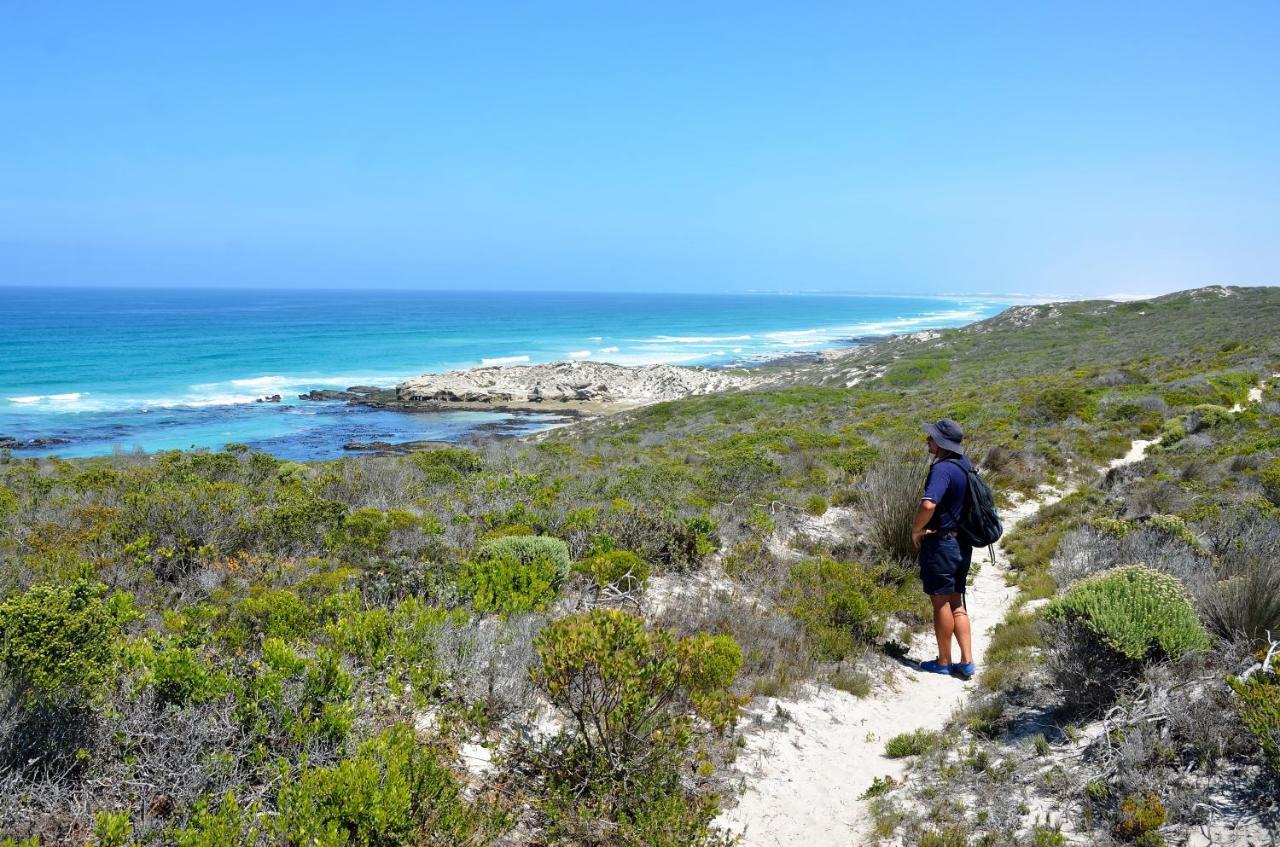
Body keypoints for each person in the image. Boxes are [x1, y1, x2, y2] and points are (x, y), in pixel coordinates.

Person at [911, 418, 975, 679]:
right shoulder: (965, 465)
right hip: (962, 543)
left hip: (942, 543)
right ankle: (967, 661)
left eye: (930, 438)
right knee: (957, 603)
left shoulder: (942, 470)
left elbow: (928, 505)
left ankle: (944, 661)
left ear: (940, 443)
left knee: (940, 603)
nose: (927, 441)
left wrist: (916, 530)